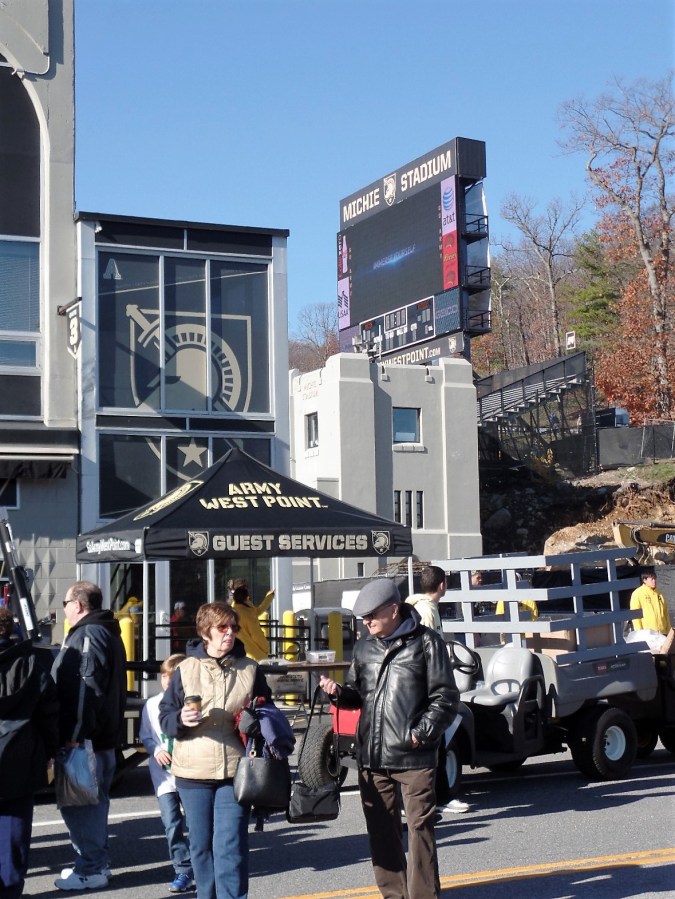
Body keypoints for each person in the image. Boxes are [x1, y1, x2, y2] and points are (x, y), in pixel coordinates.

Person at [320, 579, 458, 899]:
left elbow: (446, 699)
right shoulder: (365, 646)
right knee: (381, 834)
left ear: (393, 610)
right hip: (372, 755)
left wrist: (418, 736)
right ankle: (394, 894)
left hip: (414, 756)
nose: (366, 622)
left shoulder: (427, 643)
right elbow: (359, 696)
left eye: (371, 615)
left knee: (420, 830)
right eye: (362, 618)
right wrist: (339, 694)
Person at [159, 602, 273, 899]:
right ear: (204, 631)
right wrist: (179, 720)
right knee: (201, 845)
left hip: (235, 769)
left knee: (231, 844)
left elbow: (268, 711)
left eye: (234, 627)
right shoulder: (185, 668)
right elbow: (165, 716)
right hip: (192, 770)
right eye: (222, 627)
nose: (230, 633)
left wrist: (257, 719)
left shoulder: (250, 669)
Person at [51, 581, 127, 892]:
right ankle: (94, 864)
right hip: (98, 738)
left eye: (67, 602)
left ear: (79, 605)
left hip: (85, 741)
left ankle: (90, 868)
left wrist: (74, 734)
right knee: (91, 805)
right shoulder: (105, 631)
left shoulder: (88, 634)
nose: (64, 609)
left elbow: (85, 688)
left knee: (82, 806)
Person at [0, 606, 59, 898]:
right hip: (21, 758)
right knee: (14, 837)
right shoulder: (32, 663)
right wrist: (50, 749)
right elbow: (48, 713)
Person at [407, 566, 470, 816]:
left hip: (415, 685)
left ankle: (429, 797)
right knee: (438, 740)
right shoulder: (427, 610)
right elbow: (429, 649)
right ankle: (441, 797)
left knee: (434, 743)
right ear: (442, 585)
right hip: (428, 686)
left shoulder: (411, 605)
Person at [139, 654, 194, 894]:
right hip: (163, 777)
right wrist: (156, 749)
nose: (166, 682)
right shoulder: (151, 705)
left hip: (189, 774)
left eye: (172, 678)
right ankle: (182, 869)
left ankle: (199, 866)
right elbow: (147, 736)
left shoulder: (190, 705)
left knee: (195, 824)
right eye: (164, 676)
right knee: (171, 824)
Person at [229, 584, 275, 661]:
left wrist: (269, 596)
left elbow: (258, 611)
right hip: (253, 655)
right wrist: (265, 649)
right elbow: (256, 635)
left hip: (237, 653)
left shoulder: (233, 611)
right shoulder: (248, 612)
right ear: (246, 597)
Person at [630, 570, 672, 635]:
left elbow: (665, 612)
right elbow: (635, 615)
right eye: (652, 579)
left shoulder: (659, 593)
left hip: (663, 632)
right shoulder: (638, 593)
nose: (654, 581)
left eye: (655, 579)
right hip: (648, 634)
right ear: (645, 580)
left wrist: (669, 631)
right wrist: (640, 633)